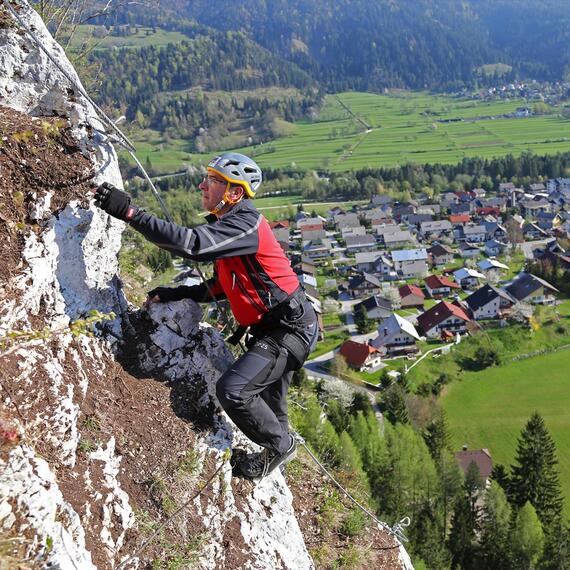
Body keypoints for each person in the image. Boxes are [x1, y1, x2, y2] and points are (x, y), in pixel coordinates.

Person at [94, 153, 318, 479]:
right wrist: (177, 293)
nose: (202, 185)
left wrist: (130, 213)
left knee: (234, 391)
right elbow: (222, 286)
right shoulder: (233, 226)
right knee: (271, 409)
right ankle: (272, 458)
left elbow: (192, 244)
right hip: (277, 327)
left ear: (235, 193)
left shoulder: (246, 224)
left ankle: (282, 445)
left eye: (212, 180)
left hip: (288, 329)